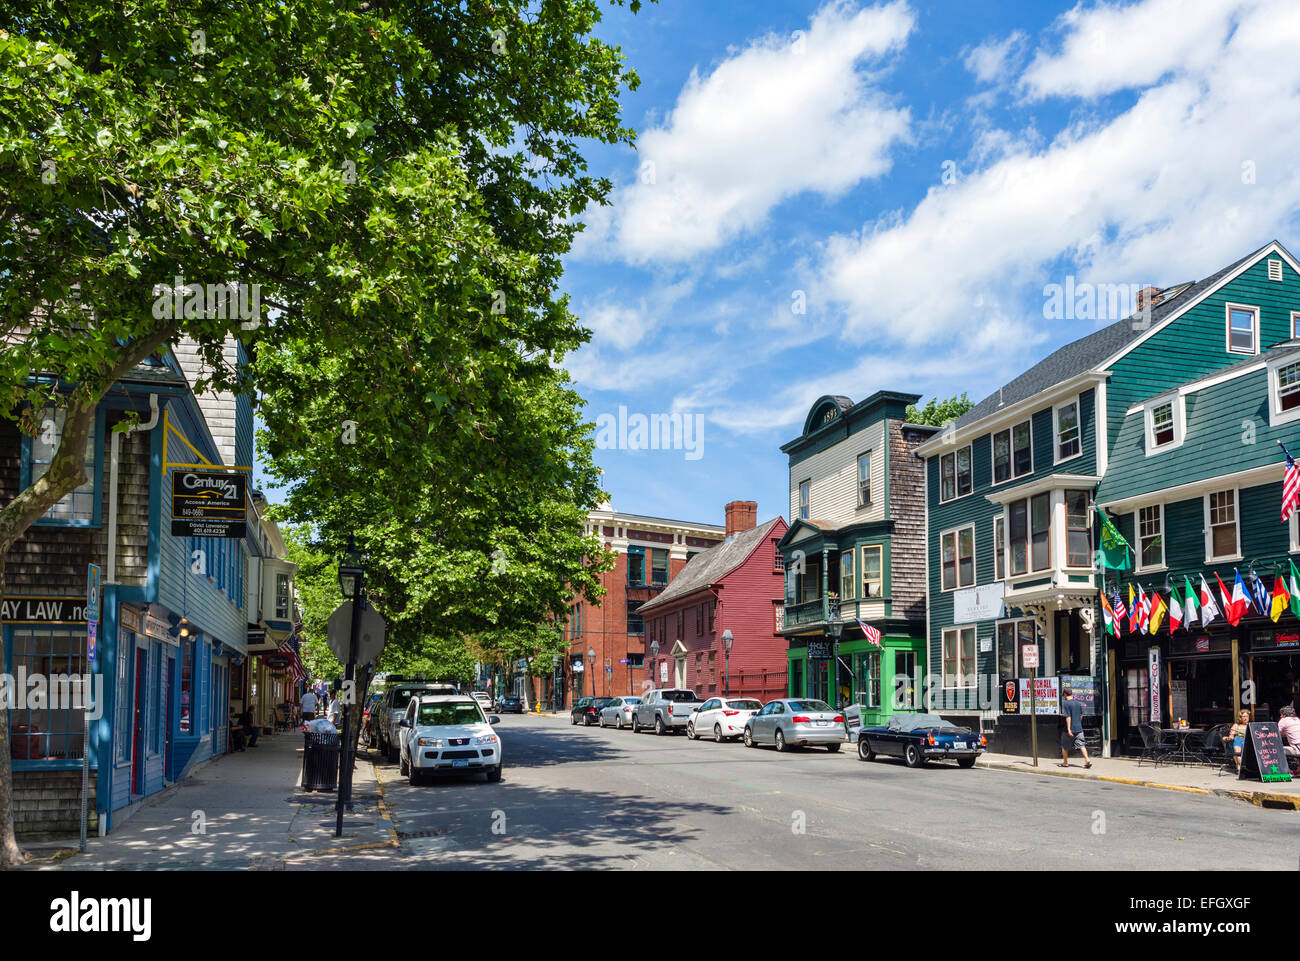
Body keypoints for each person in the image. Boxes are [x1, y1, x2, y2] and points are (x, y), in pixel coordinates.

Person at [1057, 687, 1090, 769]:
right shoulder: (1078, 703)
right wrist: (1078, 723)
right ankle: (1087, 760)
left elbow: (1068, 717)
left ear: (1065, 694)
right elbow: (1081, 715)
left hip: (1069, 729)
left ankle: (1065, 763)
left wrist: (1069, 729)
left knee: (1064, 746)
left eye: (1063, 695)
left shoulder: (1066, 703)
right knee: (1081, 745)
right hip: (1079, 728)